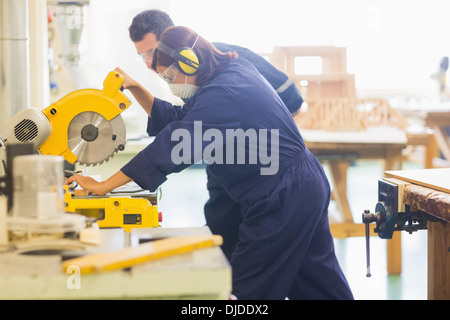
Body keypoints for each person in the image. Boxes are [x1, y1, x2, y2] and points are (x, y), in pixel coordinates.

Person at [66, 25, 353, 300]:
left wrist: (104, 184)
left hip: (282, 194)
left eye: (170, 78)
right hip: (303, 185)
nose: (170, 86)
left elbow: (174, 146)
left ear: (190, 64)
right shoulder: (229, 72)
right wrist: (135, 87)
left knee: (246, 292)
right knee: (319, 284)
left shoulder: (223, 93)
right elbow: (179, 118)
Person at [119, 9, 303, 260]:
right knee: (224, 228)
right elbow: (180, 119)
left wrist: (265, 139)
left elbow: (292, 100)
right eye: (143, 57)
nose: (151, 64)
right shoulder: (183, 74)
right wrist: (135, 87)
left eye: (152, 53)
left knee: (250, 260)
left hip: (265, 173)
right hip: (228, 170)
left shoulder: (225, 62)